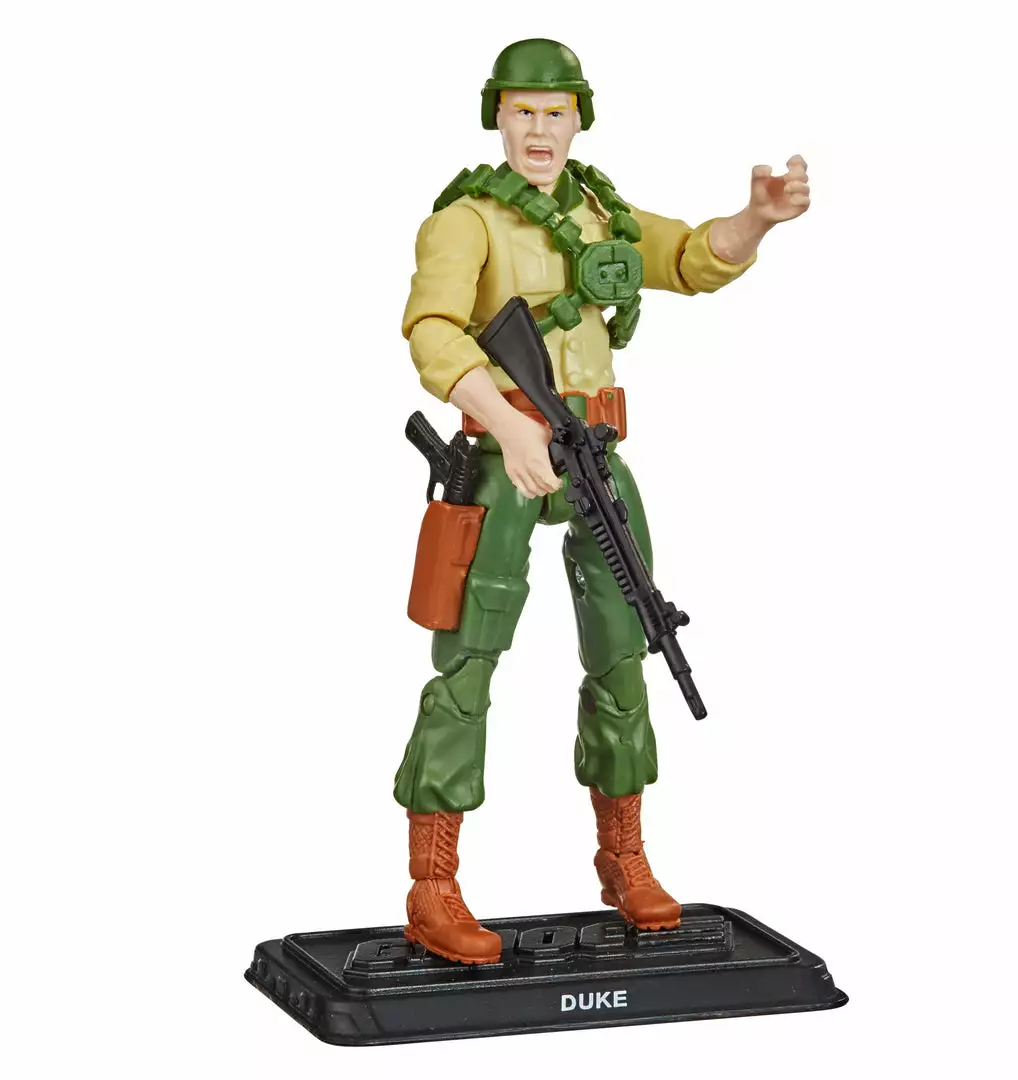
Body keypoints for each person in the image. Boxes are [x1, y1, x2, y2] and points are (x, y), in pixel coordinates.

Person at [396, 38, 811, 965]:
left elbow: (691, 257)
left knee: (626, 648)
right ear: (497, 117)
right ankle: (433, 883)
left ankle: (624, 856)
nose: (540, 130)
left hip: (597, 458)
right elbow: (431, 331)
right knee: (467, 666)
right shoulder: (466, 221)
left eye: (556, 112)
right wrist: (507, 428)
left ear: (580, 117)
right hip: (506, 461)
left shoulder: (600, 212)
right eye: (523, 112)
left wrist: (756, 219)